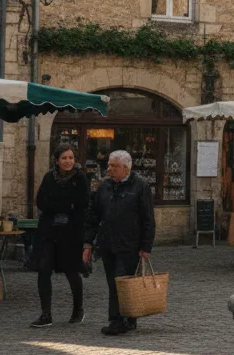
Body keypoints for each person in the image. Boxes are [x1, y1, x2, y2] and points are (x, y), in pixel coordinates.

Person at [84, 150, 155, 337]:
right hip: (108, 243)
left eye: (113, 166)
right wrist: (88, 243)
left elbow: (148, 218)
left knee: (122, 281)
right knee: (114, 282)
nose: (109, 169)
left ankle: (117, 320)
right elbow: (93, 216)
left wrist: (146, 246)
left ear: (126, 168)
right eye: (108, 165)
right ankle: (127, 317)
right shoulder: (104, 187)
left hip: (129, 244)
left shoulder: (140, 186)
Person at [30, 144, 90, 327]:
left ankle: (78, 309)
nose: (68, 161)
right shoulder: (49, 177)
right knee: (44, 269)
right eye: (64, 158)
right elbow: (41, 201)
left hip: (71, 233)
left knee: (71, 271)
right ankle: (45, 314)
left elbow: (82, 205)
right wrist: (64, 205)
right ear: (57, 160)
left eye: (71, 158)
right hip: (49, 232)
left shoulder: (80, 179)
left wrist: (59, 205)